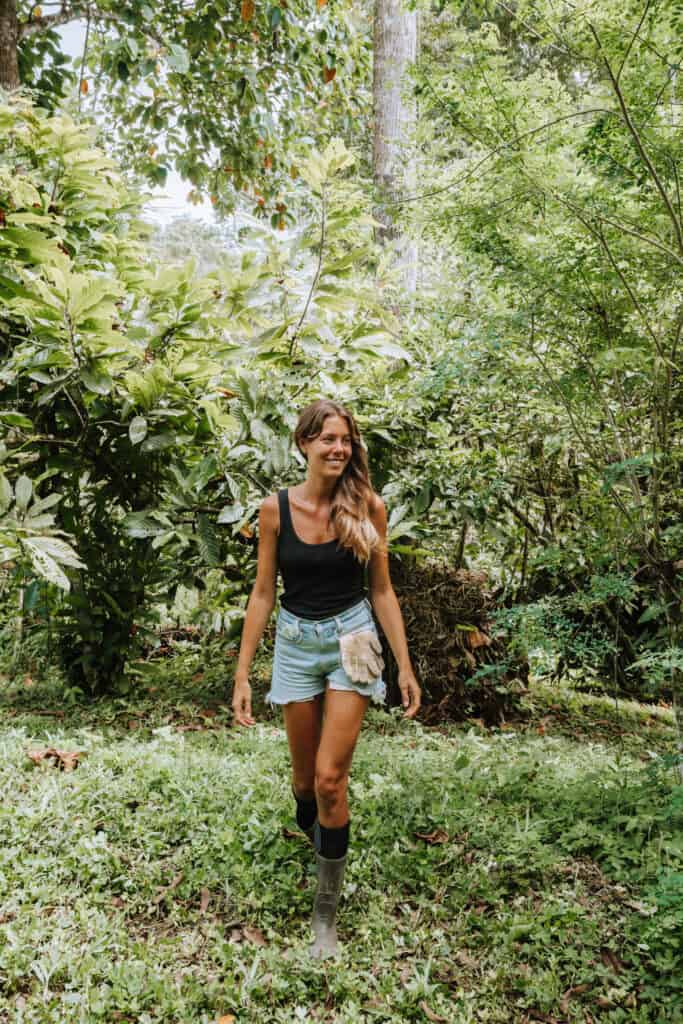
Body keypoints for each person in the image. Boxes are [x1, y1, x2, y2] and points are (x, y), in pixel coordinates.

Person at [231, 398, 420, 958]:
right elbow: (263, 592)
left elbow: (382, 590)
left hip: (353, 641)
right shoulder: (274, 510)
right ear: (304, 444)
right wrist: (243, 672)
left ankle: (325, 913)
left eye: (346, 440)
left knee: (332, 779)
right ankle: (317, 829)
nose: (339, 449)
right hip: (294, 643)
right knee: (305, 786)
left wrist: (405, 665)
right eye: (328, 440)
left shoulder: (368, 507)